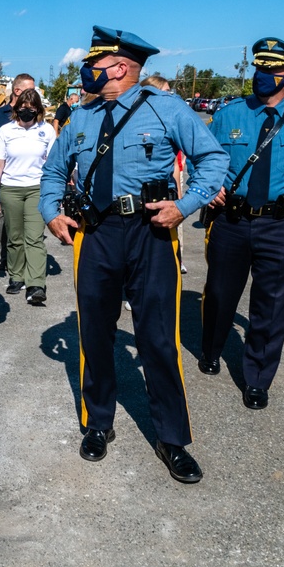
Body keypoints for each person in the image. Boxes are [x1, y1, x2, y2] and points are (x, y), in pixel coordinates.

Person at [39, 25, 228, 484]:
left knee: (158, 338)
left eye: (94, 64)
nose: (86, 71)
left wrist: (184, 206)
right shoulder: (80, 118)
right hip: (97, 233)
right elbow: (52, 172)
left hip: (150, 233)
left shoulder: (166, 109)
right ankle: (98, 422)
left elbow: (214, 159)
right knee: (95, 335)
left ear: (120, 67)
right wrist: (50, 212)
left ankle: (172, 438)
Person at [199, 38, 284, 410]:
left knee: (271, 305)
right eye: (259, 69)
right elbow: (200, 157)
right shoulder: (229, 114)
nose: (262, 76)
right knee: (221, 293)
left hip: (279, 224)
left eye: (272, 71)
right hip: (231, 220)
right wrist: (208, 187)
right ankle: (211, 348)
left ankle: (257, 377)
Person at [0, 88, 55, 302]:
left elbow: (52, 163)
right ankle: (16, 276)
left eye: (31, 108)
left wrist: (53, 193)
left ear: (38, 109)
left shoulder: (46, 130)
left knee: (35, 237)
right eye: (22, 108)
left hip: (37, 188)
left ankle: (36, 283)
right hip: (10, 189)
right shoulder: (6, 131)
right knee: (15, 237)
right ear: (16, 109)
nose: (26, 111)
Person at [0, 73, 35, 274]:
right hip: (7, 180)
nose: (34, 94)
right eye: (30, 90)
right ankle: (8, 260)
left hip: (30, 181)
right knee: (9, 223)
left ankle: (25, 265)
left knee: (28, 224)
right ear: (17, 91)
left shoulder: (34, 113)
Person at [140, 75, 188, 274]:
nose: (170, 95)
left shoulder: (172, 117)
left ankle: (177, 260)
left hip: (168, 186)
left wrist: (179, 201)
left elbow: (175, 167)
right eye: (166, 91)